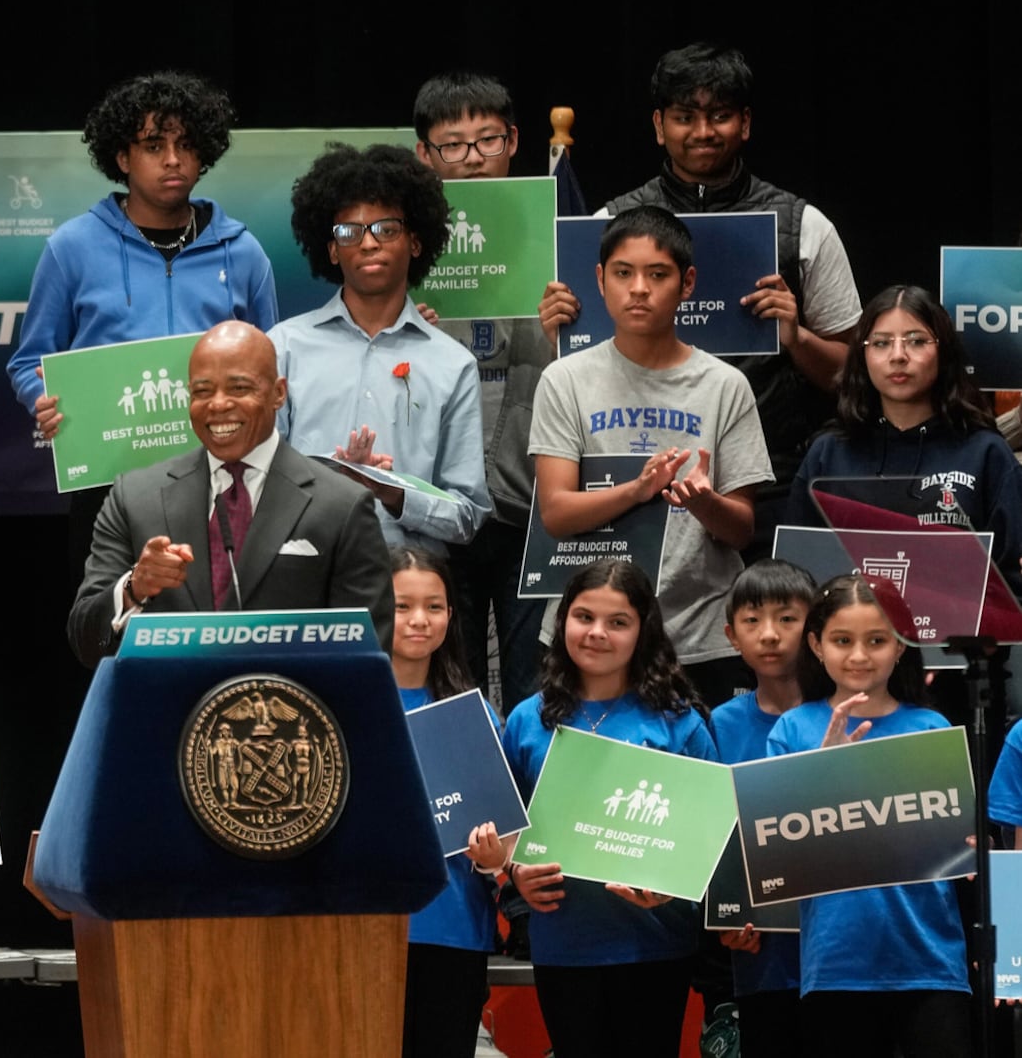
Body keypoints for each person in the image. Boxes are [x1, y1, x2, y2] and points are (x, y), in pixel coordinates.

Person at [568, 44, 861, 555]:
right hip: (637, 478)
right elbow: (578, 364)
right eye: (685, 117)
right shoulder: (604, 228)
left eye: (720, 116)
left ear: (744, 123)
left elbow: (856, 377)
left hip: (771, 482)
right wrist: (560, 330)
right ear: (659, 126)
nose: (702, 132)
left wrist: (797, 337)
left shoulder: (803, 226)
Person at [528, 206, 772, 707]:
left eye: (657, 275)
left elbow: (742, 528)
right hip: (591, 632)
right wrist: (638, 490)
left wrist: (707, 505)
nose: (638, 288)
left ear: (686, 284)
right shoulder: (565, 379)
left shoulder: (726, 386)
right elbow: (555, 513)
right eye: (623, 273)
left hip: (699, 634)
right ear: (599, 280)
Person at [66, 321, 394, 667]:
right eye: (202, 391)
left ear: (279, 393)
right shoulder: (134, 498)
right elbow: (86, 642)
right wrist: (134, 588)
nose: (218, 405)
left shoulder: (342, 505)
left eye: (239, 388)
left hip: (288, 717)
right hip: (170, 716)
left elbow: (367, 663)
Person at [495, 558, 714, 1058]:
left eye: (618, 622)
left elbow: (709, 838)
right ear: (561, 622)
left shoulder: (679, 721)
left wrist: (672, 881)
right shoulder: (528, 719)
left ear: (643, 632)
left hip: (656, 942)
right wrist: (515, 871)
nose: (597, 633)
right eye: (583, 616)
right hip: (564, 940)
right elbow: (504, 825)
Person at [5, 70, 279, 439]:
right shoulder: (71, 248)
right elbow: (28, 362)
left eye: (185, 145)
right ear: (122, 158)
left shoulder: (243, 252)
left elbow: (270, 363)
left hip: (216, 464)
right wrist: (43, 398)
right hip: (106, 465)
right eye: (153, 146)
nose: (172, 159)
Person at [766, 574, 970, 1055]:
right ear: (816, 645)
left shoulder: (930, 728)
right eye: (842, 641)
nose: (859, 656)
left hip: (931, 959)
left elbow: (958, 850)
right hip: (837, 964)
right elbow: (777, 858)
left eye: (877, 640)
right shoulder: (793, 730)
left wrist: (970, 845)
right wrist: (822, 774)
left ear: (900, 647)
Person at [271, 142, 490, 557]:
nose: (368, 243)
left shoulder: (452, 364)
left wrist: (392, 494)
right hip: (305, 575)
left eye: (386, 228)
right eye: (349, 232)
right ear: (332, 249)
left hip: (408, 590)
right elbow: (256, 483)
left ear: (415, 241)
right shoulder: (283, 347)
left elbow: (467, 514)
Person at [414, 71, 553, 711]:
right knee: (450, 681)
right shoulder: (404, 253)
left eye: (487, 140)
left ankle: (534, 809)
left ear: (514, 142)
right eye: (453, 144)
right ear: (425, 154)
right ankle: (463, 809)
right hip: (439, 501)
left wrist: (568, 327)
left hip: (534, 496)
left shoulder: (559, 240)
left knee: (534, 684)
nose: (472, 158)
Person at [786, 284, 1022, 597]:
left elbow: (1010, 580)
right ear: (863, 355)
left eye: (917, 341)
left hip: (957, 645)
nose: (898, 356)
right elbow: (793, 574)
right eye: (881, 343)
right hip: (848, 643)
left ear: (944, 352)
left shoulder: (985, 452)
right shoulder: (828, 453)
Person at [387, 546, 496, 1056]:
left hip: (453, 933)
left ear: (452, 616)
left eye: (434, 606)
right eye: (401, 606)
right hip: (365, 931)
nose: (418, 620)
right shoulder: (342, 711)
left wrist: (497, 859)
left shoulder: (476, 717)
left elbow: (508, 846)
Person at [709, 559, 818, 1056]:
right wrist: (725, 918)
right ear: (732, 635)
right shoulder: (717, 726)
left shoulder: (852, 715)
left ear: (815, 628)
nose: (769, 635)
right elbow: (709, 835)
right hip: (762, 957)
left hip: (847, 956)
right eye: (752, 622)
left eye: (787, 618)